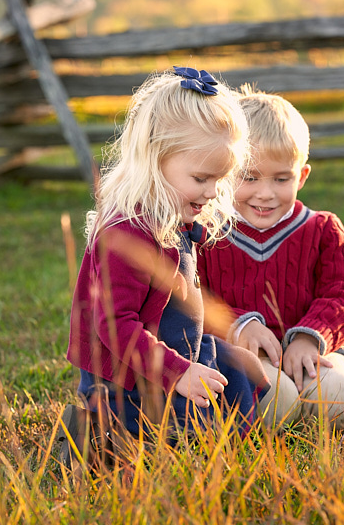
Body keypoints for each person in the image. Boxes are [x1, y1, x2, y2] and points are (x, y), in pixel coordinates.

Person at [63, 67, 270, 459]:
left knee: (242, 376)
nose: (212, 192)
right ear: (155, 159)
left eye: (219, 179)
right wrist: (178, 373)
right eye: (201, 178)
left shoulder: (172, 216)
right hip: (131, 380)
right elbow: (114, 324)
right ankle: (93, 435)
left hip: (178, 351)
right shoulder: (125, 233)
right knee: (162, 444)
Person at [197, 88, 344, 431]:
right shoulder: (206, 233)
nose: (266, 193)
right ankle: (274, 427)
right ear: (225, 172)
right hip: (242, 357)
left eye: (282, 179)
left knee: (342, 395)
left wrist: (310, 336)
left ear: (302, 176)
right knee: (275, 399)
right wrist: (238, 325)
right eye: (249, 177)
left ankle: (327, 422)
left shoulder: (322, 229)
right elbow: (192, 298)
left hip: (315, 352)